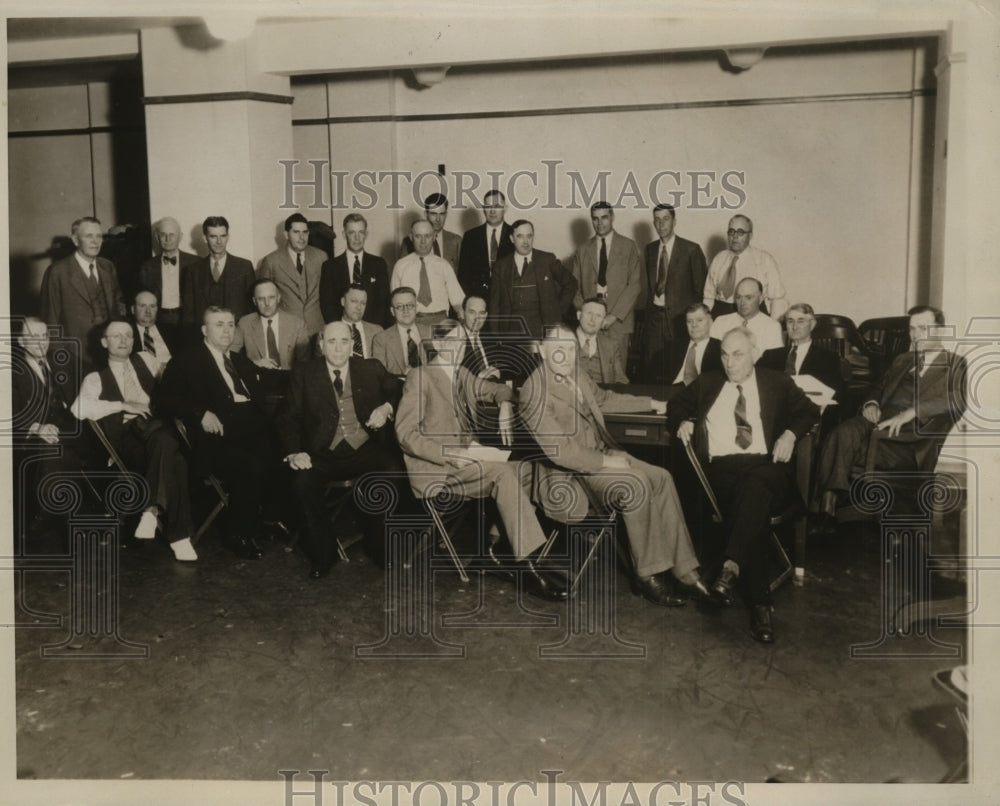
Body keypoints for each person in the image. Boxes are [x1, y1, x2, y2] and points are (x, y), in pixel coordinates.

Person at [520, 324, 707, 607]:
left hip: (598, 456)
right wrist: (609, 462)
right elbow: (562, 453)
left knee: (662, 477)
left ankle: (686, 571)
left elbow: (604, 400)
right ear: (543, 351)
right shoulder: (534, 391)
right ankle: (649, 575)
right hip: (570, 476)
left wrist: (655, 404)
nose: (566, 356)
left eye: (571, 349)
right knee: (636, 484)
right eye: (558, 349)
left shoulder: (575, 375)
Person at [394, 319, 568, 601]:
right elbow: (405, 434)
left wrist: (506, 405)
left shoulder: (461, 374)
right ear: (437, 344)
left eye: (462, 342)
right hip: (438, 469)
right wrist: (450, 454)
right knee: (502, 474)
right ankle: (529, 565)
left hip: (468, 462)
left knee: (527, 470)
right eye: (451, 342)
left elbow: (498, 389)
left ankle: (496, 550)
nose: (458, 348)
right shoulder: (421, 376)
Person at [668, 327, 820, 642]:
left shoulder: (776, 382)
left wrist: (790, 434)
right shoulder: (709, 382)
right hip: (721, 472)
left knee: (755, 486)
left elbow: (809, 411)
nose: (729, 362)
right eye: (724, 354)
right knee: (754, 503)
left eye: (737, 354)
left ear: (755, 354)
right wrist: (684, 420)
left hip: (766, 466)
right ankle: (760, 604)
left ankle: (731, 565)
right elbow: (675, 406)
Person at [812, 305, 967, 533]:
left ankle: (834, 509)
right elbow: (878, 388)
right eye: (912, 329)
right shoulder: (903, 359)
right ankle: (828, 506)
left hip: (910, 438)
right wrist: (871, 403)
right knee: (841, 433)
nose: (916, 335)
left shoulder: (955, 363)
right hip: (878, 421)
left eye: (923, 328)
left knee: (853, 447)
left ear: (940, 331)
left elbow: (958, 399)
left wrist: (913, 411)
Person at [277, 321, 406, 578]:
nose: (338, 348)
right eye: (332, 342)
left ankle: (381, 548)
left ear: (352, 346)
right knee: (302, 483)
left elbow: (400, 389)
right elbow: (287, 418)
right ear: (321, 345)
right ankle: (323, 555)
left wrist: (386, 408)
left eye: (344, 342)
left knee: (393, 471)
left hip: (363, 447)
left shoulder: (371, 368)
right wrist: (294, 452)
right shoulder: (304, 373)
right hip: (322, 452)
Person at [72, 320, 197, 561]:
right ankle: (178, 537)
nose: (123, 340)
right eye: (116, 336)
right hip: (129, 441)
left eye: (128, 335)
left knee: (169, 448)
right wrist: (123, 404)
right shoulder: (95, 378)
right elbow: (79, 409)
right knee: (175, 456)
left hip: (158, 435)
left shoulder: (147, 360)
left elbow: (173, 381)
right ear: (104, 342)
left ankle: (151, 511)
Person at [158, 306, 275, 560]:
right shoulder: (187, 360)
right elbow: (165, 400)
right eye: (219, 324)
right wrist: (199, 413)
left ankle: (270, 519)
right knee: (251, 466)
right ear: (204, 330)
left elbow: (270, 380)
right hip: (216, 440)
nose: (226, 330)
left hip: (252, 431)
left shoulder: (238, 359)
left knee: (287, 452)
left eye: (231, 324)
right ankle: (240, 535)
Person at [11, 317, 88, 535]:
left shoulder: (62, 360)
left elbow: (93, 374)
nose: (40, 342)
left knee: (69, 443)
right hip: (31, 436)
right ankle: (50, 515)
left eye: (44, 336)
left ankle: (53, 514)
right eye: (32, 337)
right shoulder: (12, 371)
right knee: (52, 448)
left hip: (72, 428)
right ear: (21, 341)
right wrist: (36, 427)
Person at [39, 216, 126, 365]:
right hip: (75, 357)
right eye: (89, 236)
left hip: (109, 355)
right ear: (75, 240)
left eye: (99, 236)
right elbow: (50, 321)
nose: (95, 241)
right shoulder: (57, 272)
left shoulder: (108, 266)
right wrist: (60, 361)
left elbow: (118, 307)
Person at [571, 201, 642, 370]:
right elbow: (573, 286)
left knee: (616, 372)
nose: (599, 223)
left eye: (604, 217)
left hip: (618, 322)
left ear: (612, 217)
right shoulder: (582, 249)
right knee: (589, 371)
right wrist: (587, 315)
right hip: (590, 322)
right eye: (595, 219)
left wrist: (613, 316)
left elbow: (635, 285)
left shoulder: (628, 246)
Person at [643, 203, 708, 381]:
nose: (661, 224)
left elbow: (700, 291)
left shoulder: (691, 250)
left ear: (675, 221)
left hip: (680, 320)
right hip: (655, 319)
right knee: (654, 367)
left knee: (678, 367)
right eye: (657, 220)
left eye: (666, 219)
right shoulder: (649, 249)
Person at [758, 302, 846, 431]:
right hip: (773, 416)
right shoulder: (771, 356)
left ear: (812, 325)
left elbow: (835, 393)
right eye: (790, 321)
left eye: (801, 321)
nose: (794, 327)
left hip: (807, 417)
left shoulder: (827, 358)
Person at [489, 219, 577, 342]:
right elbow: (494, 305)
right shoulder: (501, 266)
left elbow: (571, 283)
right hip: (511, 333)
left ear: (533, 237)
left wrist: (557, 310)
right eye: (520, 236)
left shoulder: (547, 260)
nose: (525, 241)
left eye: (529, 236)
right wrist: (495, 336)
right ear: (511, 238)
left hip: (542, 332)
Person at [233, 278, 310, 397]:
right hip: (256, 385)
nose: (267, 303)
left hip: (290, 385)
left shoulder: (297, 324)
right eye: (261, 299)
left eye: (271, 297)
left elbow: (304, 363)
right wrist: (254, 364)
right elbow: (230, 356)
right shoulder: (245, 323)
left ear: (278, 298)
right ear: (254, 301)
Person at [703, 215, 786, 319]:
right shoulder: (719, 259)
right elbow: (708, 297)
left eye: (740, 232)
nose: (735, 237)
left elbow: (777, 299)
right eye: (731, 232)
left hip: (753, 317)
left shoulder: (764, 260)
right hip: (721, 316)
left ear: (750, 235)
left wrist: (773, 328)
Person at [258, 212, 327, 336]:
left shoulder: (321, 257)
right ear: (286, 234)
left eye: (305, 232)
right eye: (296, 232)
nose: (302, 237)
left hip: (317, 329)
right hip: (287, 330)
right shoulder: (271, 261)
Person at [182, 216, 255, 328]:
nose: (219, 241)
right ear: (205, 238)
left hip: (237, 335)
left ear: (228, 237)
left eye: (223, 236)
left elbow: (252, 309)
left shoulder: (244, 267)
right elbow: (188, 313)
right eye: (213, 236)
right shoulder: (192, 271)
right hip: (204, 337)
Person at [319, 213, 391, 327]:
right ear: (344, 234)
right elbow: (327, 305)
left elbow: (384, 302)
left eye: (361, 232)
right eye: (352, 233)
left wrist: (373, 330)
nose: (357, 238)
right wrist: (339, 328)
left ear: (366, 234)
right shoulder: (330, 267)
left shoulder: (378, 264)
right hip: (341, 330)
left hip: (371, 330)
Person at [390, 220, 465, 325]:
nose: (423, 241)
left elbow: (459, 301)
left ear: (434, 236)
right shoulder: (400, 266)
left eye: (427, 236)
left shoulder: (444, 265)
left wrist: (463, 320)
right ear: (411, 237)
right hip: (412, 322)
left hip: (440, 321)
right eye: (418, 236)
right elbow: (395, 302)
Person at [136, 217, 198, 325]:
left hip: (188, 321)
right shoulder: (147, 266)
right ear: (157, 237)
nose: (167, 239)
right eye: (163, 234)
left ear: (180, 237)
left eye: (172, 235)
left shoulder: (195, 263)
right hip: (159, 321)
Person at [457, 190, 514, 299]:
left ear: (505, 208)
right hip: (479, 302)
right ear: (483, 208)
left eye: (497, 206)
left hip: (508, 302)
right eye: (488, 206)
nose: (492, 211)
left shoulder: (515, 234)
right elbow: (463, 276)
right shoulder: (470, 236)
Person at [709, 277, 784, 352]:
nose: (742, 302)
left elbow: (773, 362)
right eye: (738, 297)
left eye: (748, 297)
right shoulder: (720, 322)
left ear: (760, 299)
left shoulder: (772, 327)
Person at [371, 287, 430, 377]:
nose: (405, 310)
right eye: (399, 306)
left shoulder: (430, 333)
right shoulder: (381, 339)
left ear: (416, 308)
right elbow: (379, 376)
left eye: (410, 305)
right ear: (392, 311)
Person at [399, 192, 461, 272]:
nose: (438, 219)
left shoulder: (456, 241)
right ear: (426, 214)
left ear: (446, 215)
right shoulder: (409, 242)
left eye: (442, 214)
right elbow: (402, 272)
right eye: (433, 214)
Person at [666, 303, 723, 386]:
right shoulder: (673, 347)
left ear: (711, 322)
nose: (694, 325)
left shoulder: (720, 348)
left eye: (699, 320)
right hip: (671, 390)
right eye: (689, 321)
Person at [575, 297, 628, 384]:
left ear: (603, 321)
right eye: (589, 313)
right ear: (579, 315)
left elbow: (621, 379)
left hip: (603, 394)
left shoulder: (611, 345)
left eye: (598, 316)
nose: (593, 320)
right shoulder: (563, 341)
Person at [130, 290, 180, 373]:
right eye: (142, 306)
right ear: (133, 309)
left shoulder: (172, 331)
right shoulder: (126, 333)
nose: (148, 311)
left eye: (152, 306)